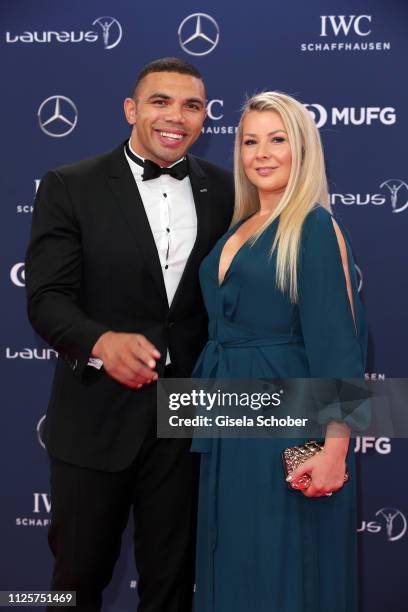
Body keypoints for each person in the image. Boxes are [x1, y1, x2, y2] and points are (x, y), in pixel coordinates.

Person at [25, 57, 234, 611]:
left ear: (204, 117)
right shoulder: (70, 186)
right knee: (76, 583)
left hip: (188, 420)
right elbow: (46, 298)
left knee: (171, 585)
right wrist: (99, 342)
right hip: (95, 418)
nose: (176, 116)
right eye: (160, 101)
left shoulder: (228, 190)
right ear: (131, 110)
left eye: (191, 105)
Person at [191, 92, 367, 612]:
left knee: (284, 565)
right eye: (250, 141)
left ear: (303, 149)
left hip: (288, 421)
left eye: (277, 139)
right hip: (228, 414)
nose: (261, 153)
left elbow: (340, 346)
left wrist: (335, 448)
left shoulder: (313, 227)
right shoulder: (237, 228)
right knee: (234, 559)